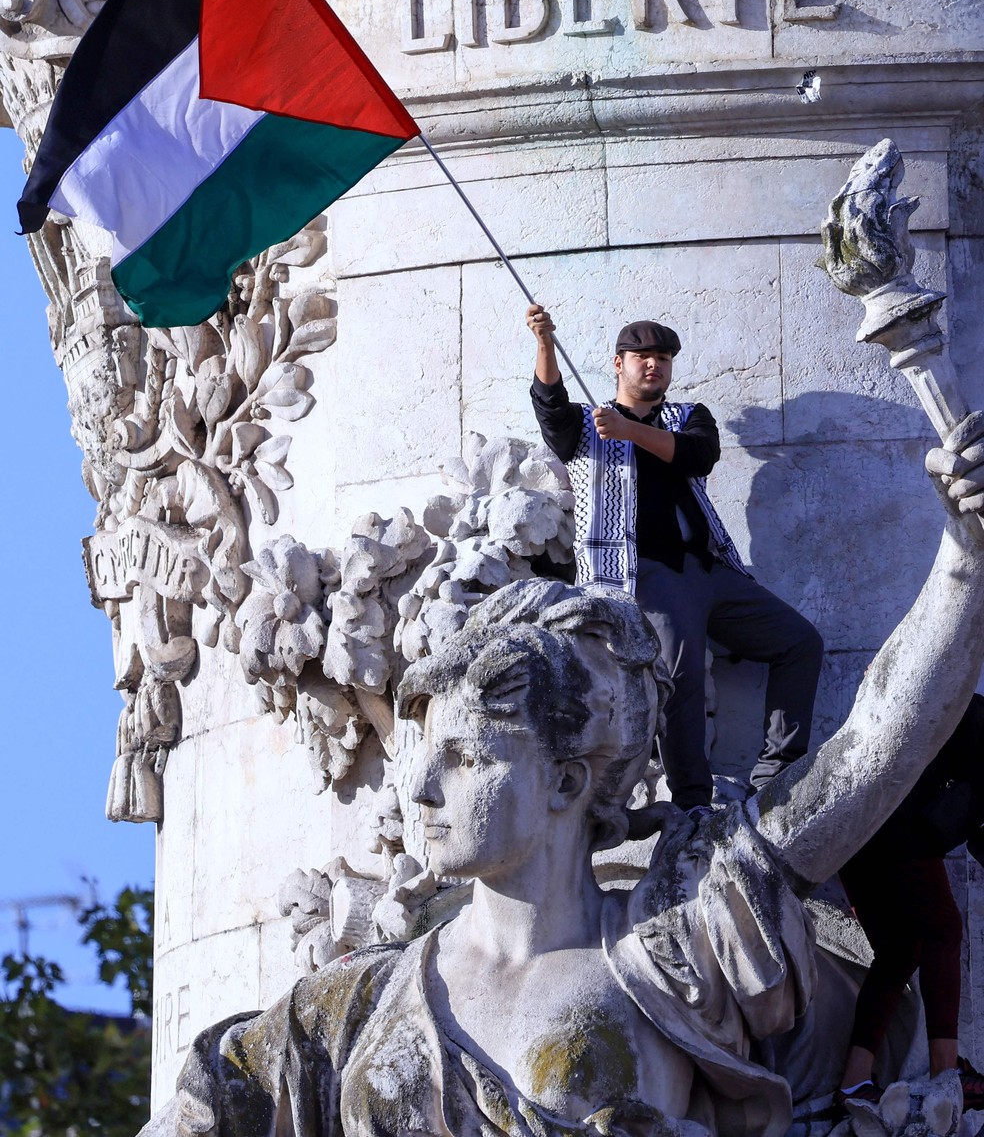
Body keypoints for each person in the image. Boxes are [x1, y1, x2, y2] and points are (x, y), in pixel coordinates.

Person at [143, 412, 984, 1137]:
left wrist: (964, 558)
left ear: (568, 783)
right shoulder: (351, 1008)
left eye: (467, 758)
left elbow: (876, 745)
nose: (422, 790)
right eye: (424, 757)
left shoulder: (675, 951)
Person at [526, 303, 824, 811]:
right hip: (642, 573)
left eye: (663, 357)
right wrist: (545, 343)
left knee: (800, 641)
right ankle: (692, 803)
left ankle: (778, 769)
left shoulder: (689, 418)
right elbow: (551, 406)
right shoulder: (585, 425)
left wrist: (630, 432)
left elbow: (697, 455)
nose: (653, 365)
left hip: (710, 570)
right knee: (682, 679)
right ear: (618, 363)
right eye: (641, 356)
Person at [836, 693, 984, 1114]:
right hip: (892, 823)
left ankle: (852, 1083)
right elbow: (929, 700)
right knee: (943, 929)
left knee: (901, 950)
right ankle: (945, 1073)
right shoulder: (974, 716)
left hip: (857, 833)